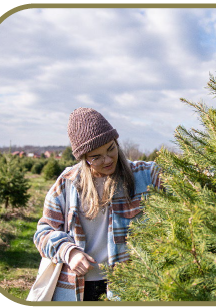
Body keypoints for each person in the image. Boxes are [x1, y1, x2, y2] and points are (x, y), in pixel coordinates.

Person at [34, 107, 161, 301]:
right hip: (78, 288)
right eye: (96, 157)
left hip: (128, 286)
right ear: (84, 159)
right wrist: (70, 252)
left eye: (111, 148)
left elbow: (192, 180)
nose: (108, 159)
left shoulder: (146, 175)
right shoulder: (67, 184)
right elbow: (43, 233)